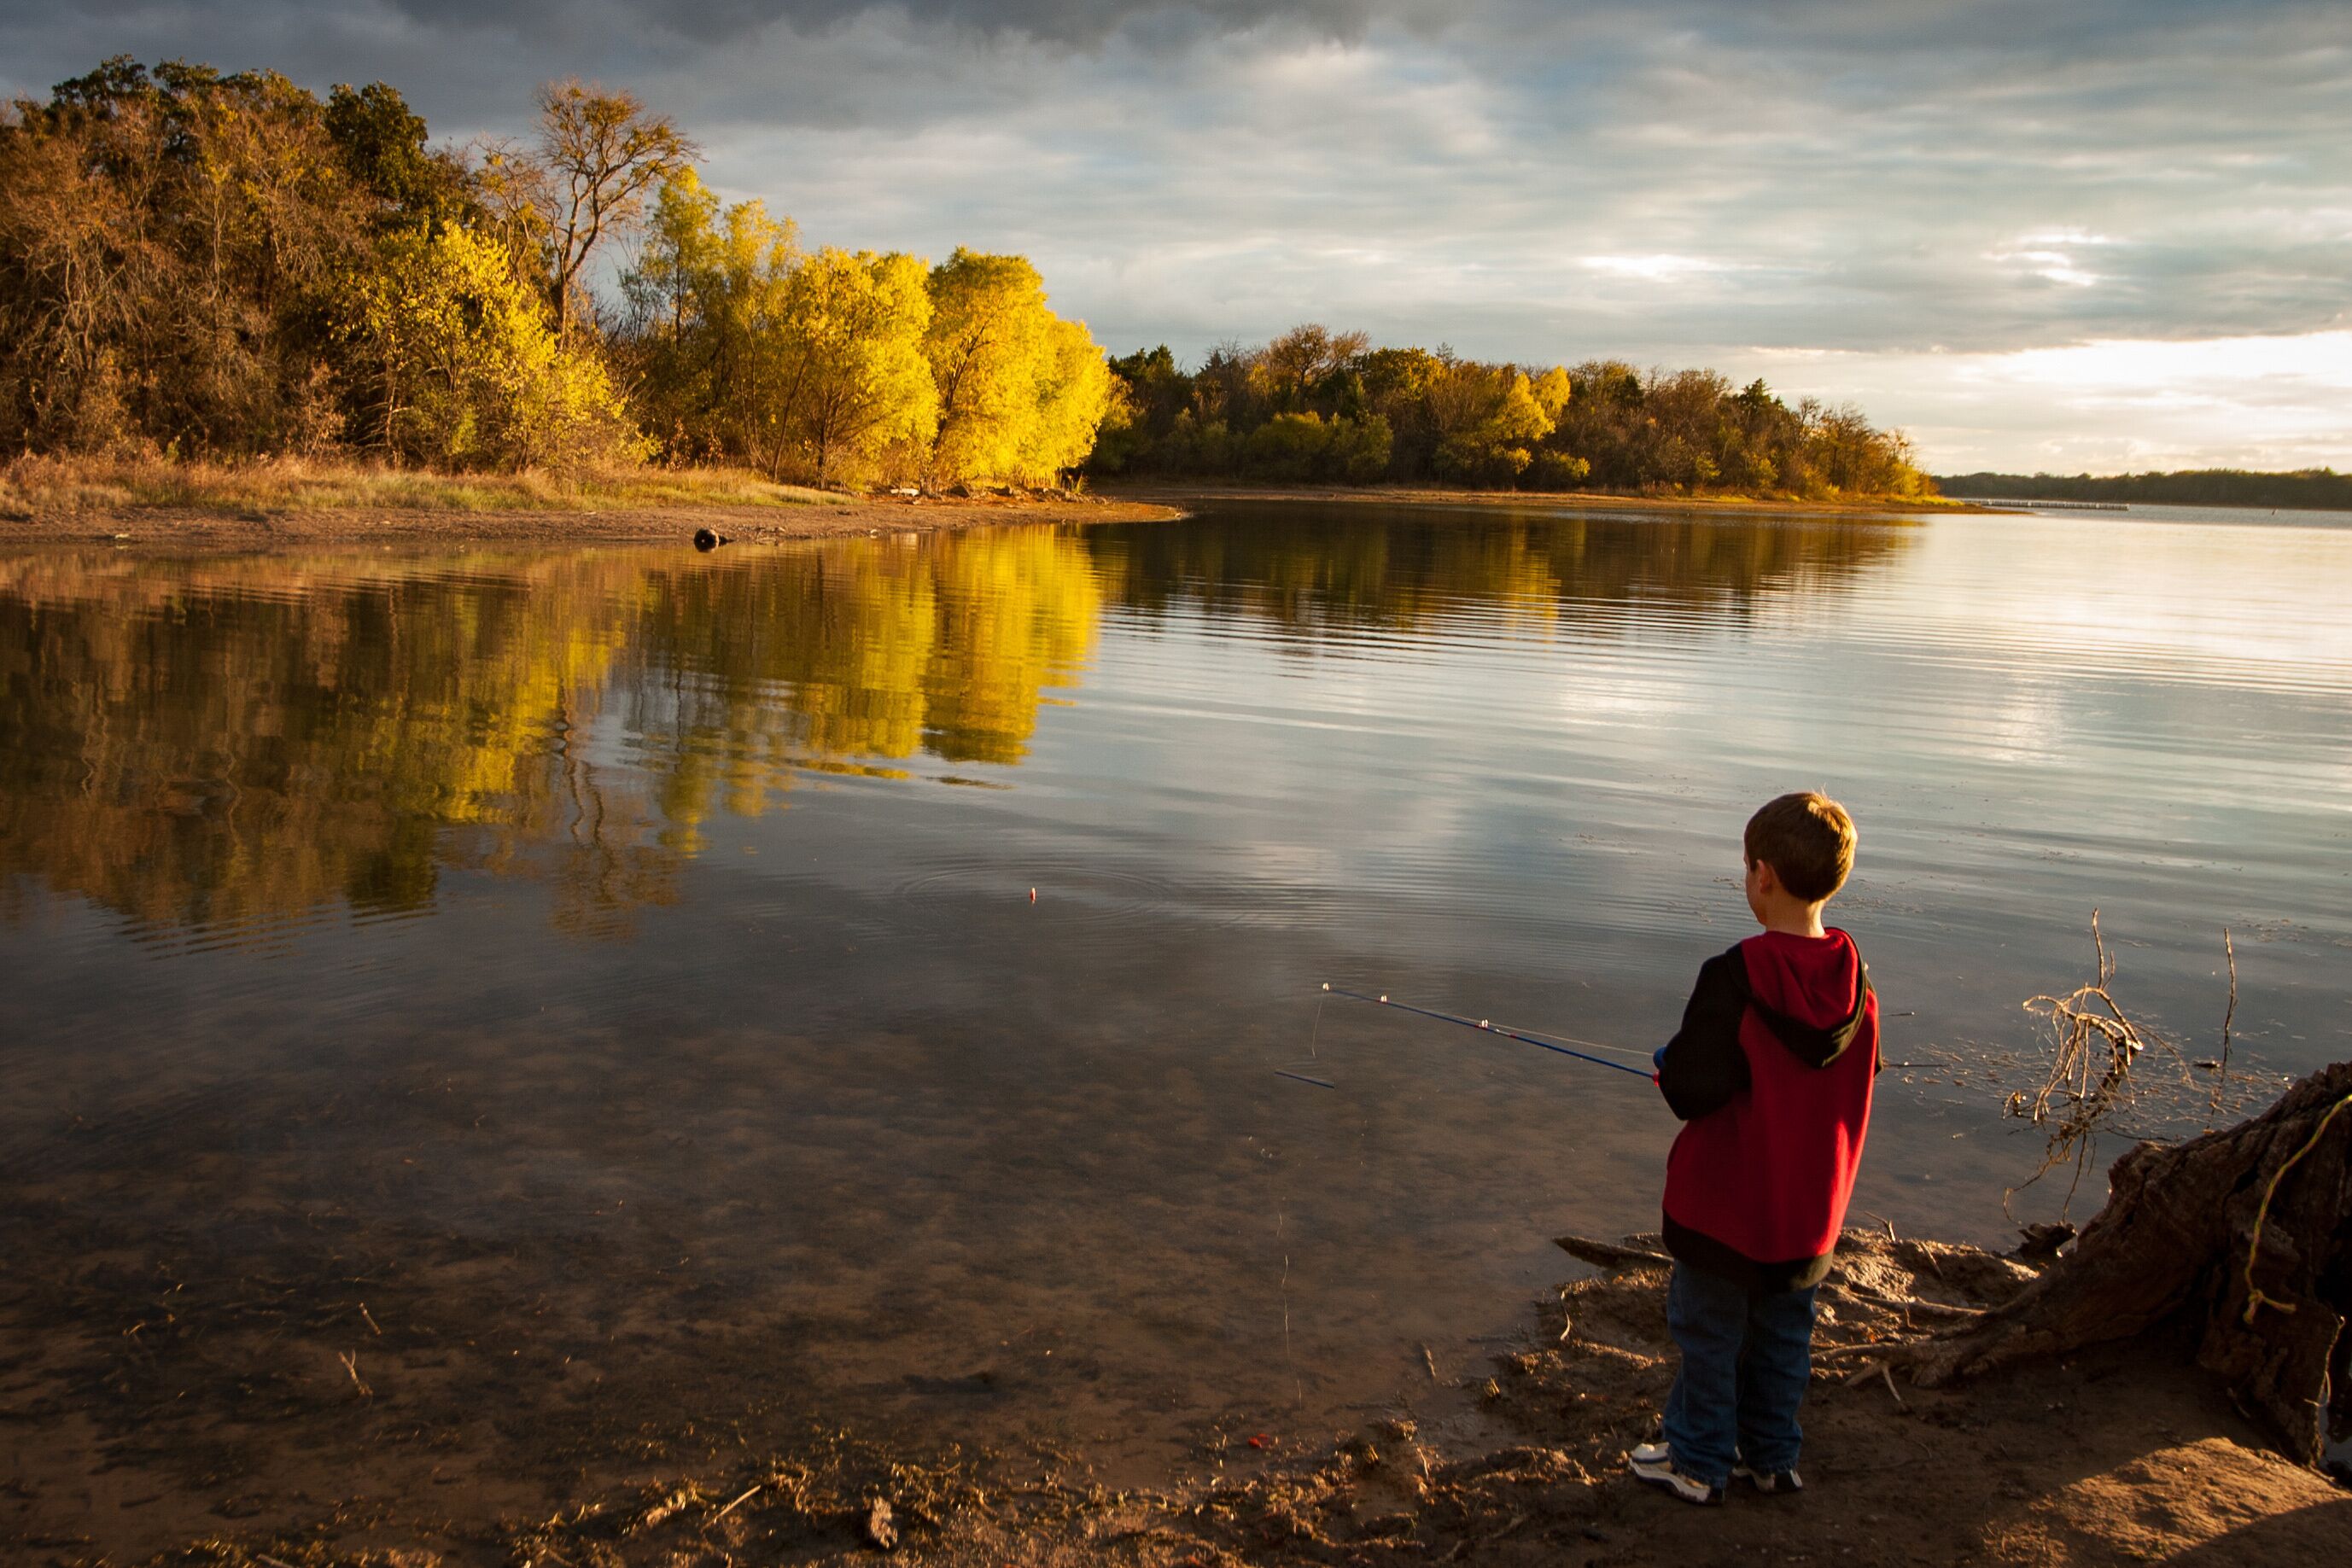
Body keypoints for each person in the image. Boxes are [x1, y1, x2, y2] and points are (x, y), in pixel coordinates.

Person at [1627, 790, 1879, 1505]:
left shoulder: (1734, 974)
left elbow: (1690, 1090)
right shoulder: (1856, 985)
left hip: (1725, 1207)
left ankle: (1697, 1459)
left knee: (1706, 1331)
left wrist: (1668, 1063)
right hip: (1806, 1212)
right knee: (1781, 1337)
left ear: (1761, 875)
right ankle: (1770, 1456)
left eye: (1745, 868)